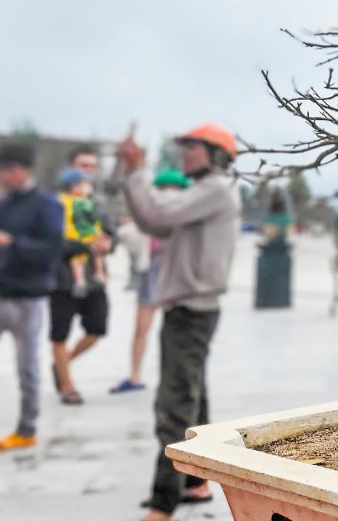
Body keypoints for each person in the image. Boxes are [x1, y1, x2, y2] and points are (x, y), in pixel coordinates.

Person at [117, 123, 241, 521]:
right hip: (191, 309)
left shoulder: (215, 189)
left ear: (216, 155)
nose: (185, 153)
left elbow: (156, 213)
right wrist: (133, 176)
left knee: (174, 405)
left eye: (193, 147)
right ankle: (195, 483)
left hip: (191, 312)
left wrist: (137, 170)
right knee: (193, 397)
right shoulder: (202, 192)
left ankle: (162, 503)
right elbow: (155, 223)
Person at [0, 141, 64, 457]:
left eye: (7, 172)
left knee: (27, 369)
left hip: (27, 300)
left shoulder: (47, 205)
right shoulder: (3, 205)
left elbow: (50, 252)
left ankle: (26, 430)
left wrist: (13, 242)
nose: (2, 178)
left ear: (23, 170)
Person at [110, 168, 192, 394]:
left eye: (173, 189)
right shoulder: (150, 217)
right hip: (153, 273)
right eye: (164, 189)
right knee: (142, 329)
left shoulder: (185, 217)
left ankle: (173, 378)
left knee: (174, 331)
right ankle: (135, 375)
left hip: (175, 276)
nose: (169, 194)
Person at [50, 153, 116, 406]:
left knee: (96, 329)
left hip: (94, 279)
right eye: (83, 166)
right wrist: (82, 246)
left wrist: (108, 243)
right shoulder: (56, 204)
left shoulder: (96, 204)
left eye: (93, 167)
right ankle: (67, 386)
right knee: (59, 334)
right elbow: (50, 240)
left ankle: (61, 363)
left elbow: (110, 233)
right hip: (62, 279)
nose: (88, 171)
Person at [58, 168, 107, 296]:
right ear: (75, 187)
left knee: (94, 254)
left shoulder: (88, 202)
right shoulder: (65, 202)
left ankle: (97, 274)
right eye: (86, 185)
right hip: (75, 236)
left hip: (85, 234)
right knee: (78, 258)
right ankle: (80, 280)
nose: (89, 188)